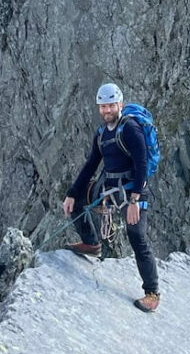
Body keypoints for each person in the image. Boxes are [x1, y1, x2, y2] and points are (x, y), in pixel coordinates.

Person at [62, 82, 160, 313]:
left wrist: (135, 200)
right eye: (103, 106)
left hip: (133, 189)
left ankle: (152, 293)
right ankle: (91, 243)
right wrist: (71, 193)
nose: (107, 110)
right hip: (110, 186)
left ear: (120, 105)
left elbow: (142, 163)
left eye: (111, 105)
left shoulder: (130, 128)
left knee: (137, 235)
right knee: (78, 200)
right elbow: (91, 165)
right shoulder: (101, 134)